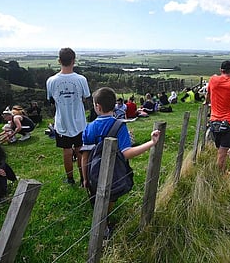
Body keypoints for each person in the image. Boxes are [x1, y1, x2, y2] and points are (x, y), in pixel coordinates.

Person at [81, 87, 160, 236]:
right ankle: (104, 223)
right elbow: (127, 153)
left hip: (93, 172)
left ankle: (100, 224)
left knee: (97, 197)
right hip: (113, 173)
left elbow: (84, 156)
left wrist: (85, 178)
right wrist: (151, 143)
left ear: (97, 107)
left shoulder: (89, 128)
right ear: (115, 105)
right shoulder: (119, 126)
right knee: (110, 196)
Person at [46, 47, 91, 186]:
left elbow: (51, 100)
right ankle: (83, 178)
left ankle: (70, 179)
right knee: (80, 150)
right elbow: (86, 97)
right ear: (74, 61)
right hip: (79, 122)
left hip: (62, 123)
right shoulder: (81, 79)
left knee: (66, 151)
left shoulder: (51, 81)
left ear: (59, 60)